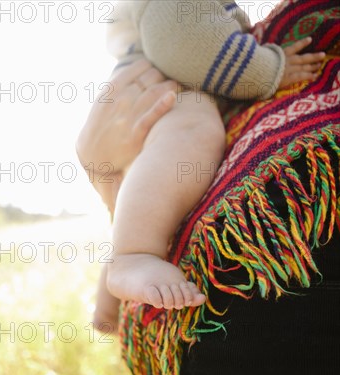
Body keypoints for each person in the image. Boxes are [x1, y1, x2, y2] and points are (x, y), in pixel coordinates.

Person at [87, 0, 324, 329]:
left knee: (154, 202)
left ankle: (108, 310)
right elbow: (185, 41)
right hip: (162, 90)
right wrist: (269, 71)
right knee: (194, 132)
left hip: (149, 99)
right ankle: (133, 255)